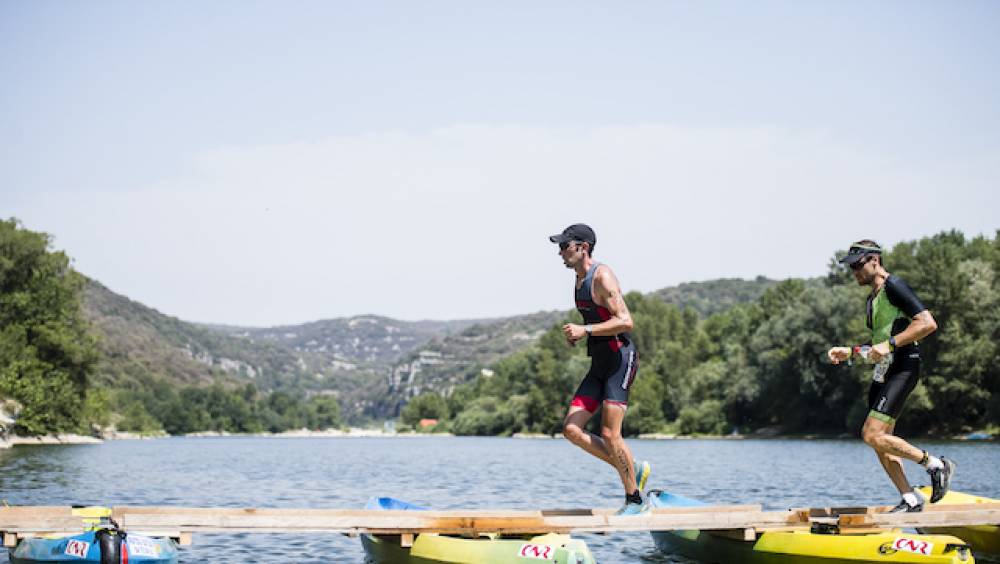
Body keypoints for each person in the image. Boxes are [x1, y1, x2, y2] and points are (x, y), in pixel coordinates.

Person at [827, 240, 955, 513]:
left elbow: (927, 323)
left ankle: (936, 465)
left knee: (871, 434)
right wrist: (848, 352)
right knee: (882, 441)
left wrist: (892, 345)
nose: (855, 273)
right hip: (883, 372)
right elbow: (878, 345)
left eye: (858, 265)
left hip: (903, 367)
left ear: (875, 260)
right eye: (851, 268)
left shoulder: (894, 286)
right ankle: (910, 498)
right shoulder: (872, 298)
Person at [549, 223, 650, 515]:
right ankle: (632, 467)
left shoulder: (602, 277)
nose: (559, 252)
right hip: (599, 363)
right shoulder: (579, 280)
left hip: (621, 360)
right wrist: (577, 335)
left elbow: (626, 321)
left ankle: (635, 500)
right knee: (571, 429)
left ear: (583, 247)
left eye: (564, 246)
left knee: (609, 433)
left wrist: (586, 330)